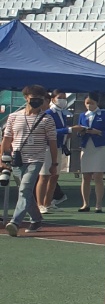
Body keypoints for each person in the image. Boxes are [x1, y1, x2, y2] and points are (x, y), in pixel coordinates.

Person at [2, 85, 59, 236]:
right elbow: (7, 138)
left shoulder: (47, 119)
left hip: (36, 159)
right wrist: (2, 158)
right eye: (33, 98)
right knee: (25, 192)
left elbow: (53, 142)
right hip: (17, 159)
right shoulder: (14, 117)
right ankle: (36, 218)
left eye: (40, 99)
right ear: (26, 98)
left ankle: (15, 222)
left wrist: (54, 163)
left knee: (24, 188)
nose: (36, 102)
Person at [74, 94, 105, 212]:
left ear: (96, 103)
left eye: (91, 102)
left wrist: (98, 132)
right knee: (85, 176)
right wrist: (81, 132)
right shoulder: (82, 115)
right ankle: (85, 204)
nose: (89, 105)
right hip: (87, 147)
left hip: (100, 147)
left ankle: (99, 204)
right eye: (87, 103)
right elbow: (78, 131)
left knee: (98, 176)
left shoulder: (104, 114)